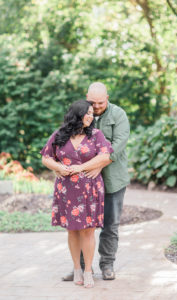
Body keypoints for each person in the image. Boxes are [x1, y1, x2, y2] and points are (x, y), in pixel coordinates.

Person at [40, 100, 113, 288]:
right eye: (87, 113)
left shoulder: (96, 135)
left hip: (90, 188)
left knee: (88, 231)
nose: (91, 116)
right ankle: (77, 269)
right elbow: (46, 157)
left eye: (92, 113)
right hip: (66, 189)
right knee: (72, 230)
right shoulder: (59, 135)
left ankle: (88, 271)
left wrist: (81, 167)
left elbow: (105, 156)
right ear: (76, 114)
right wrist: (58, 167)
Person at [63, 82, 130, 281]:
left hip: (113, 180)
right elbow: (66, 140)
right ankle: (82, 268)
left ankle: (107, 264)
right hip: (84, 183)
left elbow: (117, 147)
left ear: (107, 98)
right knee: (82, 225)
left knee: (110, 224)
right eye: (93, 102)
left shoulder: (119, 115)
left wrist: (99, 165)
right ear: (86, 97)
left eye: (101, 102)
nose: (97, 106)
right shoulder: (80, 114)